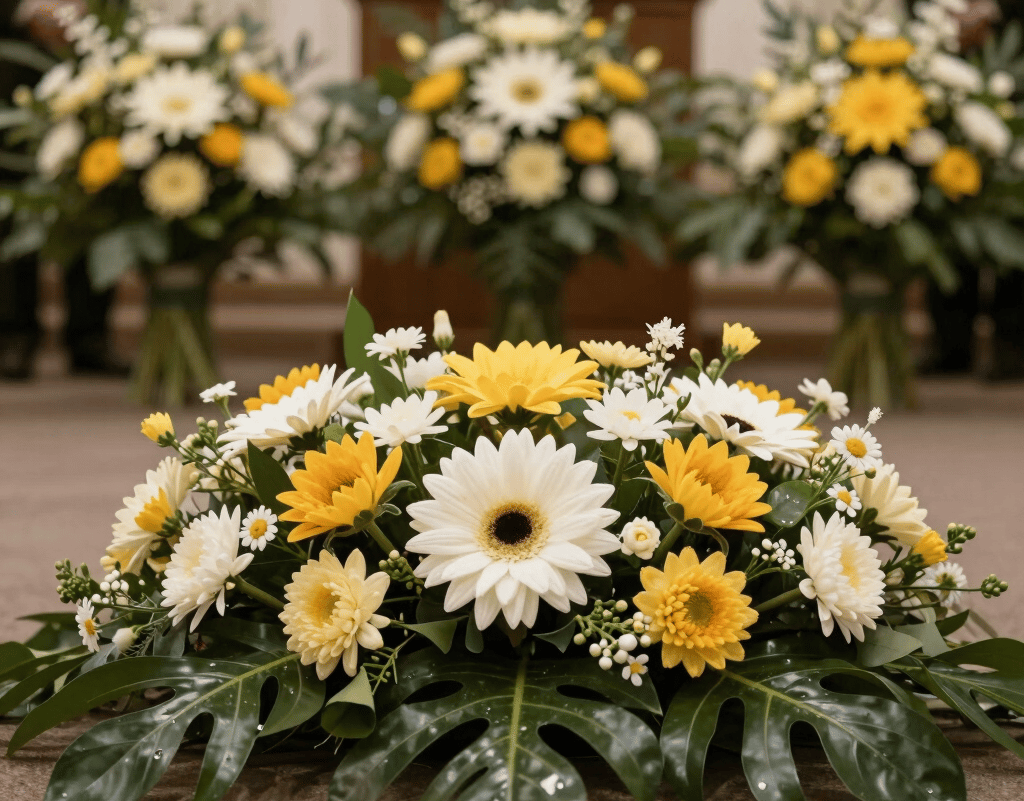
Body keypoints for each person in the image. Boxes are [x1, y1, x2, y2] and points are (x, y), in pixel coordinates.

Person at [0, 0, 127, 379]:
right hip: (11, 57)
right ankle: (12, 333)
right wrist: (23, 12)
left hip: (92, 47)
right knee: (11, 196)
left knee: (95, 178)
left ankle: (90, 334)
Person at [921, 0, 1024, 380]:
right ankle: (949, 341)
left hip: (1015, 60)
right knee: (945, 193)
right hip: (944, 61)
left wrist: (993, 12)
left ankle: (1013, 344)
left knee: (1015, 206)